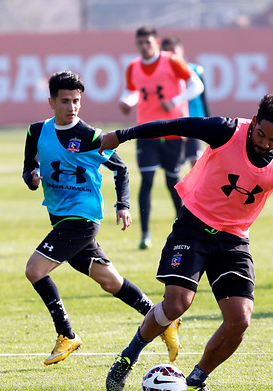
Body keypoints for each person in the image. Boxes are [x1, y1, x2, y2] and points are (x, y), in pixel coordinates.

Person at [100, 94, 273, 391]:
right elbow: (173, 125)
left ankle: (196, 380)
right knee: (176, 304)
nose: (265, 143)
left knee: (240, 319)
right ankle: (128, 356)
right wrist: (121, 135)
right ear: (253, 122)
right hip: (194, 227)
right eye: (261, 134)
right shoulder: (226, 131)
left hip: (234, 240)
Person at [22, 70, 180, 365]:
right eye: (66, 101)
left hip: (82, 217)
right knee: (110, 281)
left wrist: (123, 204)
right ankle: (164, 320)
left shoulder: (90, 136)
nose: (72, 107)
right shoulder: (35, 132)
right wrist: (32, 179)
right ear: (51, 103)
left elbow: (120, 168)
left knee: (35, 270)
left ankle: (66, 334)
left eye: (77, 101)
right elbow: (29, 170)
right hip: (59, 217)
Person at [119, 25, 204, 249]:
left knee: (172, 181)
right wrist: (127, 101)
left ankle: (183, 229)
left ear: (156, 42)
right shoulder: (133, 67)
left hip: (174, 131)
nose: (145, 47)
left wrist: (175, 101)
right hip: (146, 132)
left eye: (149, 42)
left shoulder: (172, 61)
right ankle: (145, 234)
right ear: (136, 44)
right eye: (141, 43)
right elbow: (132, 90)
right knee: (146, 181)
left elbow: (197, 85)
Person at [161, 35, 211, 168]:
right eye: (167, 51)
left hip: (194, 121)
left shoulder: (194, 70)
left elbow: (203, 98)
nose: (172, 55)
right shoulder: (162, 73)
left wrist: (208, 121)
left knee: (195, 160)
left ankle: (197, 188)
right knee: (174, 163)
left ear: (181, 50)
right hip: (174, 122)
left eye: (173, 50)